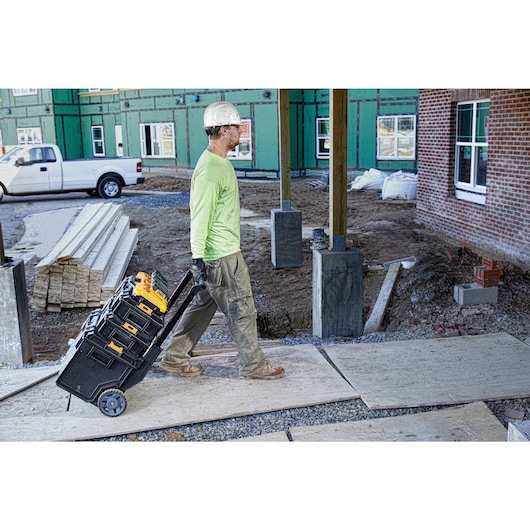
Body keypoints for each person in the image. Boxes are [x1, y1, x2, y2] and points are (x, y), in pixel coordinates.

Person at [159, 101, 285, 380]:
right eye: (238, 127)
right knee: (242, 309)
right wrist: (197, 258)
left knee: (202, 307)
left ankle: (175, 357)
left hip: (217, 254)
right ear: (225, 129)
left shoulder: (219, 162)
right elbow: (199, 216)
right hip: (222, 255)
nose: (241, 131)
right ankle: (253, 365)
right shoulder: (210, 171)